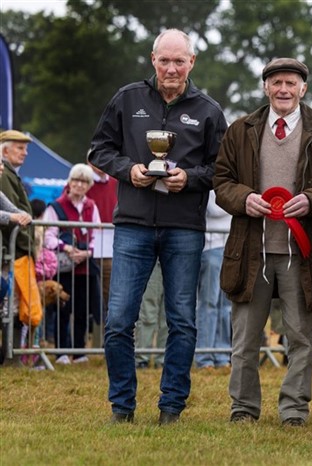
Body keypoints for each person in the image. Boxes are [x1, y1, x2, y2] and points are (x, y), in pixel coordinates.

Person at [89, 28, 227, 425]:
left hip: (184, 228)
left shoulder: (208, 110)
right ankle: (122, 406)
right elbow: (99, 149)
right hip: (132, 225)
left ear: (191, 63)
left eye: (178, 61)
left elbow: (222, 168)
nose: (171, 68)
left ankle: (171, 407)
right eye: (164, 60)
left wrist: (192, 179)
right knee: (118, 321)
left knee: (182, 321)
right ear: (153, 60)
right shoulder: (126, 98)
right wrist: (127, 170)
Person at [214, 57, 312, 427]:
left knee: (301, 339)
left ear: (303, 88)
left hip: (301, 255)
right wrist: (244, 199)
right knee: (245, 340)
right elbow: (221, 180)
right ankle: (243, 409)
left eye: (291, 83)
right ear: (266, 88)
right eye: (276, 83)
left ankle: (294, 411)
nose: (283, 90)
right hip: (250, 251)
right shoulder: (240, 129)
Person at [43, 163, 102, 365]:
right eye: (76, 180)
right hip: (63, 267)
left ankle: (79, 351)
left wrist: (86, 253)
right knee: (62, 310)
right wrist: (66, 248)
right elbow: (47, 236)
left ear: (89, 184)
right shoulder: (55, 206)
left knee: (83, 310)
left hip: (85, 267)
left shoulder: (91, 206)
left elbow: (97, 234)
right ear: (69, 182)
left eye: (84, 181)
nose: (79, 184)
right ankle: (60, 352)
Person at [0, 130, 42, 331]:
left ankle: (12, 356)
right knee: (10, 306)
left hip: (13, 250)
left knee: (11, 305)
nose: (25, 153)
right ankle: (11, 356)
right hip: (13, 251)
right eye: (20, 148)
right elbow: (11, 217)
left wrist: (22, 216)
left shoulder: (8, 176)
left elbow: (14, 209)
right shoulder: (5, 175)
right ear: (5, 151)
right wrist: (25, 245)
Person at [195, 190, 232, 369]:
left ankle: (222, 354)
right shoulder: (211, 181)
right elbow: (215, 209)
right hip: (212, 245)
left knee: (226, 305)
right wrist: (236, 199)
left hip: (230, 245)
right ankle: (204, 355)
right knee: (209, 302)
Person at [86, 157, 118, 347]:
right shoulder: (84, 180)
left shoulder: (115, 181)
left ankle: (104, 343)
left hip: (110, 247)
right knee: (86, 295)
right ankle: (84, 345)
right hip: (88, 248)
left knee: (108, 297)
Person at [134, 260, 167, 369]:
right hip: (153, 260)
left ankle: (163, 358)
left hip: (174, 259)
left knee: (167, 314)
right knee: (147, 312)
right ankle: (142, 358)